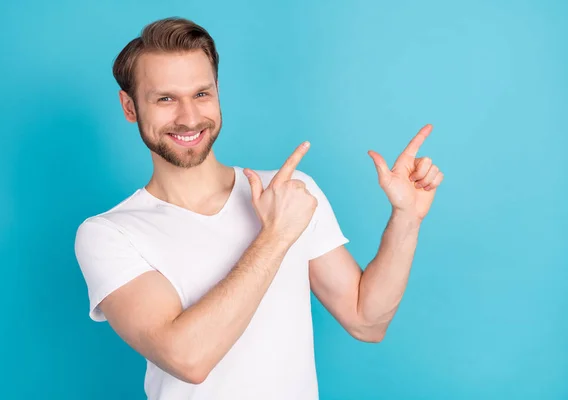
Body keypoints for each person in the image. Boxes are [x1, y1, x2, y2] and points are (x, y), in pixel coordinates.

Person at [74, 17, 444, 400]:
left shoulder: (289, 192)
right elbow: (187, 359)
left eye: (201, 94)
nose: (188, 117)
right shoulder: (109, 234)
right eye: (165, 98)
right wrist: (276, 235)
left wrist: (407, 219)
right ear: (130, 106)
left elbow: (367, 321)